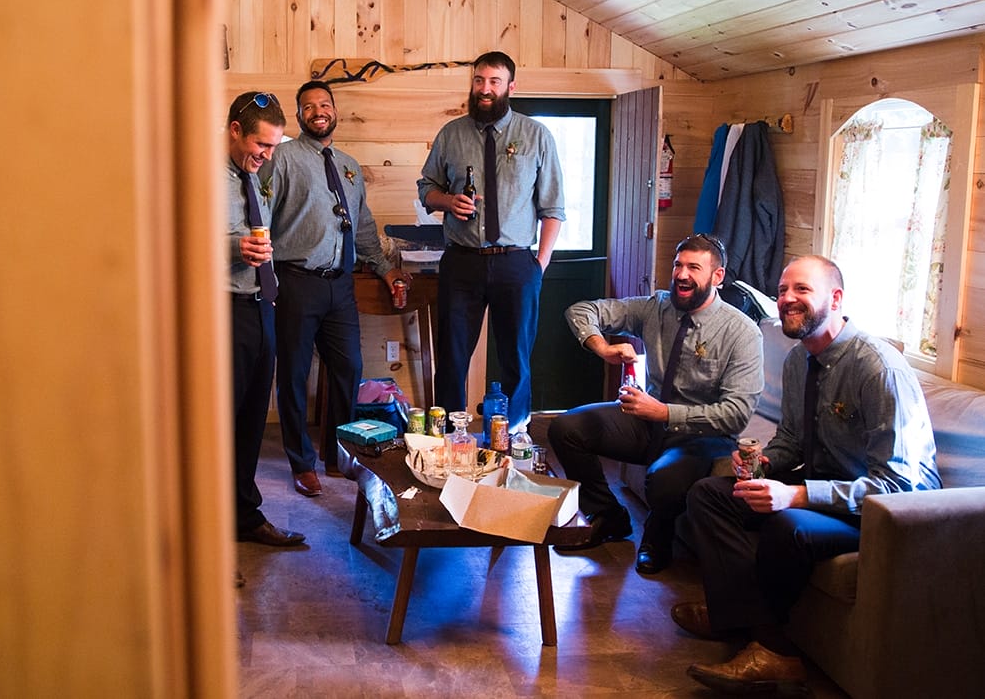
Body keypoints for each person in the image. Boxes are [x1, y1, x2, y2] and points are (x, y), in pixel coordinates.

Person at [674, 255, 939, 694]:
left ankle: (773, 652)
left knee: (787, 526)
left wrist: (797, 496)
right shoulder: (800, 359)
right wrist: (763, 464)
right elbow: (793, 440)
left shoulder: (878, 369)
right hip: (826, 487)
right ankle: (736, 618)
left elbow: (900, 485)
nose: (787, 300)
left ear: (835, 299)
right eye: (782, 291)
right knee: (709, 494)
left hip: (887, 516)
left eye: (802, 290)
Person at [548, 233, 763, 575]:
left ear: (717, 277)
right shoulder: (655, 307)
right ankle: (609, 516)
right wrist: (603, 348)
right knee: (566, 428)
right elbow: (581, 310)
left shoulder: (743, 333)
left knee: (664, 481)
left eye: (694, 267)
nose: (682, 274)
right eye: (678, 265)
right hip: (648, 420)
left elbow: (735, 415)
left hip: (701, 435)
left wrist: (663, 412)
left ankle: (657, 536)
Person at [264, 80, 408, 497]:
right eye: (308, 107)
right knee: (292, 374)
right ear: (299, 116)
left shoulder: (348, 165)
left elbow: (363, 227)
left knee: (348, 369)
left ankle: (338, 453)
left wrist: (383, 269)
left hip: (340, 286)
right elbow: (262, 214)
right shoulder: (283, 158)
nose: (318, 111)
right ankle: (301, 462)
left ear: (335, 111)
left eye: (324, 104)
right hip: (295, 283)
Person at [416, 51, 565, 433]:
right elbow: (426, 188)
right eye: (479, 80)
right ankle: (445, 436)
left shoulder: (536, 136)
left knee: (516, 357)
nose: (485, 89)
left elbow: (553, 208)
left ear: (510, 87)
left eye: (494, 82)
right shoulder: (451, 134)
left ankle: (512, 433)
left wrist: (539, 264)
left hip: (517, 262)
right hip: (461, 260)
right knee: (451, 356)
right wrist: (448, 201)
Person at [226, 91, 306, 558]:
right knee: (218, 425)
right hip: (220, 311)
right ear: (236, 130)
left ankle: (244, 515)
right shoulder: (201, 175)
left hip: (260, 305)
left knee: (253, 420)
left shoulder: (252, 174)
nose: (269, 155)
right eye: (263, 145)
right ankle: (207, 537)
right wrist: (231, 248)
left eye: (275, 146)